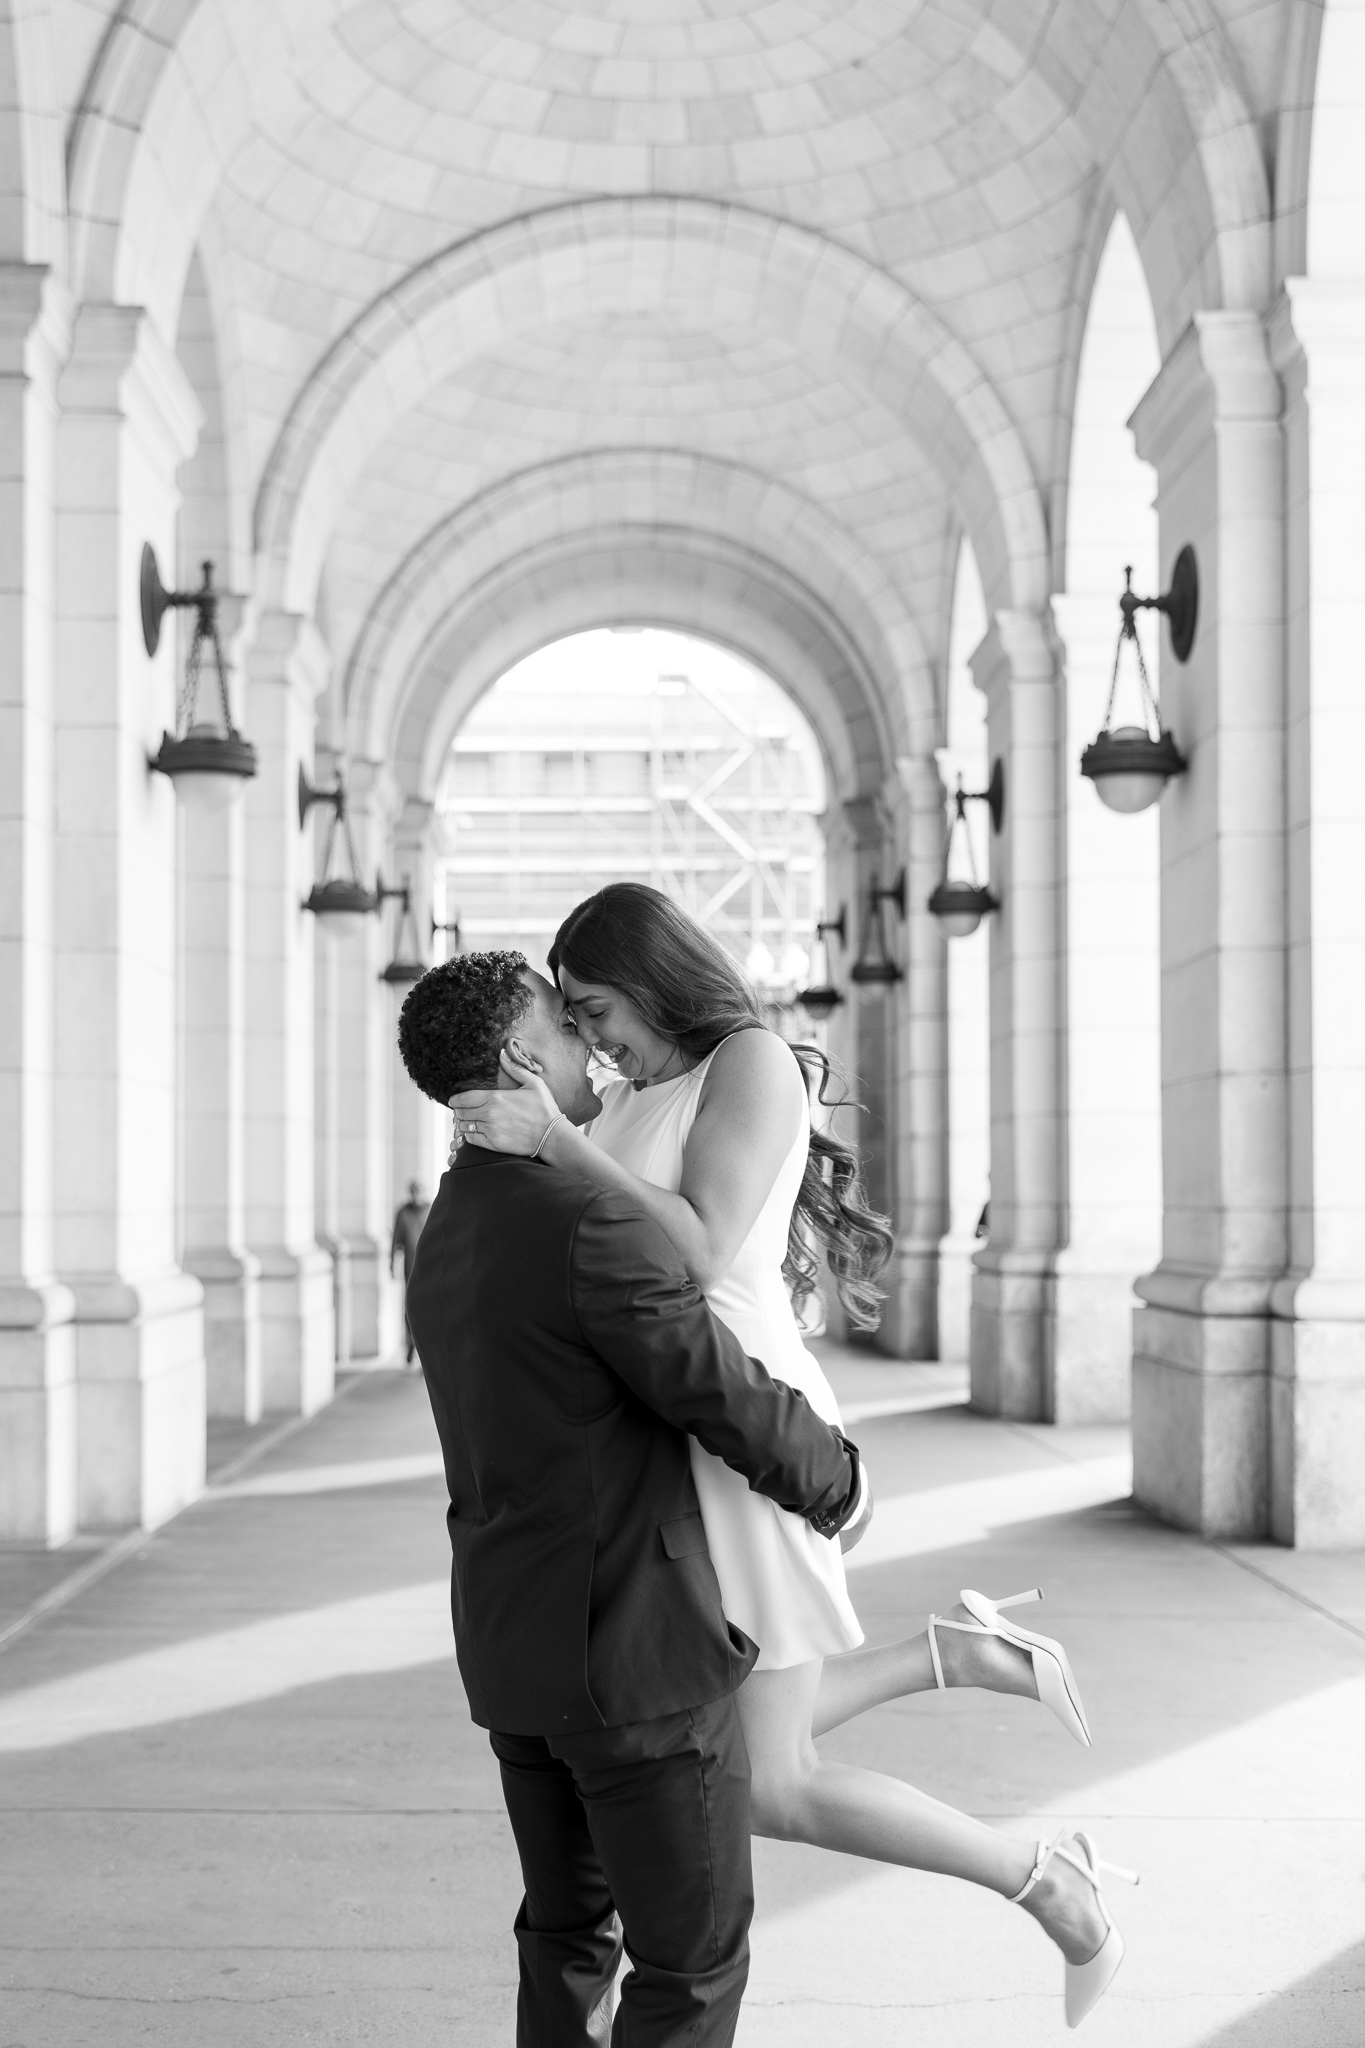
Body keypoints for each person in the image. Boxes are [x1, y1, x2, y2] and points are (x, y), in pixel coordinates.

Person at [450, 886, 1137, 2030]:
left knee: (767, 1778)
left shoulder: (754, 1060)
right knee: (733, 1736)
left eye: (596, 1006)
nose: (592, 1037)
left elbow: (702, 1245)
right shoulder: (632, 1093)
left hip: (744, 1428)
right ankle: (955, 1654)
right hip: (666, 1440)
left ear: (653, 973)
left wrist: (562, 1140)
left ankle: (1053, 1884)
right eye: (571, 1018)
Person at [397, 952, 872, 2047]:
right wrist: (837, 1479)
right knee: (691, 1959)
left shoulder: (450, 1224)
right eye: (566, 1026)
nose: (592, 1050)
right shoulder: (581, 1219)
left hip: (513, 1651)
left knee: (565, 1934)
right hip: (635, 1664)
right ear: (523, 1056)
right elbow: (713, 1384)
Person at [390, 1180, 431, 1365]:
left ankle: (424, 1349)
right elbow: (396, 1240)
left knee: (426, 1307)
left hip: (429, 1268)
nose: (417, 1196)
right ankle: (410, 1343)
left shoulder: (431, 1209)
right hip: (410, 1268)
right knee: (410, 1307)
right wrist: (392, 1263)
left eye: (419, 1192)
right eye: (414, 1192)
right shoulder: (403, 1213)